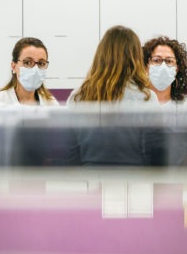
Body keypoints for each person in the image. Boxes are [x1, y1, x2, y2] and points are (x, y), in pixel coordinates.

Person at [67, 25, 161, 166]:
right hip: (134, 182)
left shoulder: (78, 96)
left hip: (91, 181)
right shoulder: (147, 98)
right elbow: (155, 153)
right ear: (135, 57)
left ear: (101, 55)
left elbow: (70, 152)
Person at [143, 36, 187, 165]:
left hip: (179, 180)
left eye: (169, 61)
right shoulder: (136, 105)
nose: (163, 66)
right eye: (156, 60)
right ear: (146, 67)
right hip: (141, 180)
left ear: (177, 68)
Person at [0, 37, 59, 106]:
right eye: (27, 62)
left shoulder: (51, 104)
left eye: (41, 63)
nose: (35, 70)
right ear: (14, 66)